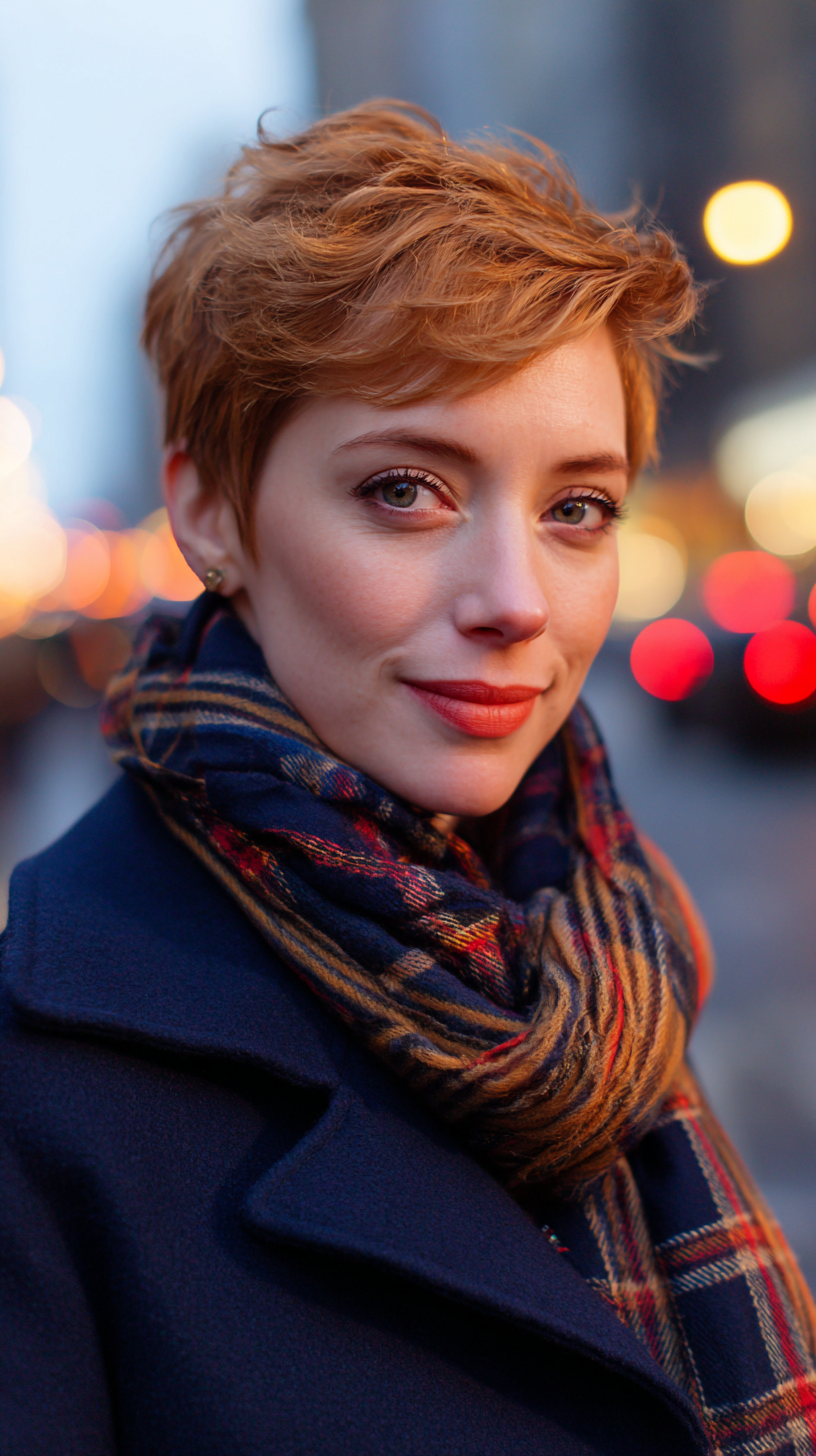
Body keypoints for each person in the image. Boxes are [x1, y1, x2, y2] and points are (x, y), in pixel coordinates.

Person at [1, 101, 814, 1456]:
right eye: (405, 491)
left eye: (576, 509)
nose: (516, 600)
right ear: (212, 511)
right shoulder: (48, 1073)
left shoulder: (612, 949)